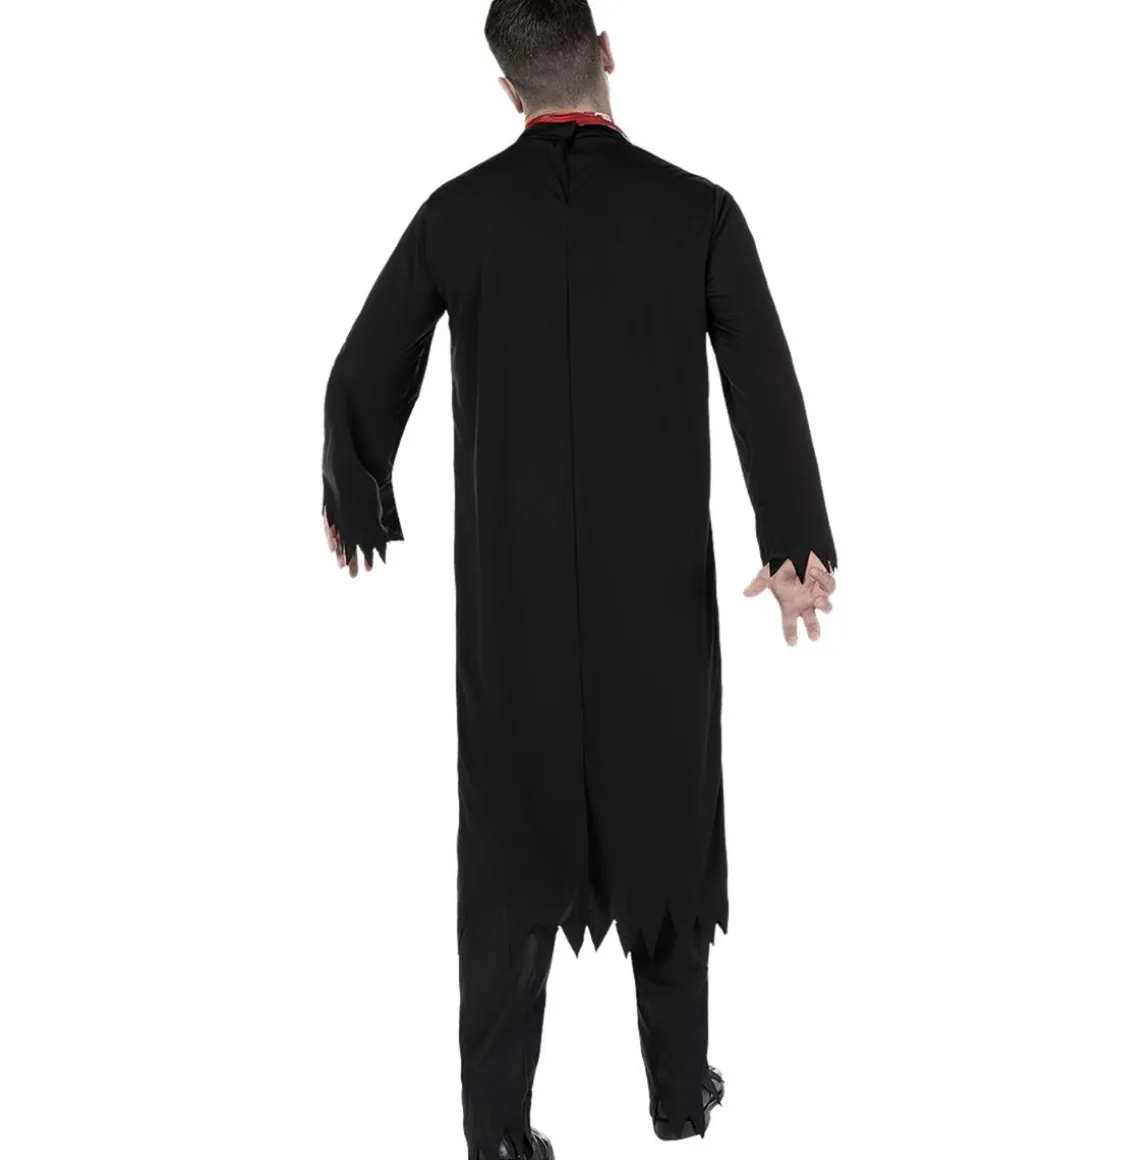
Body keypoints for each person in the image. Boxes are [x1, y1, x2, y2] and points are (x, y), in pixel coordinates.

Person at [320, 2, 838, 1156]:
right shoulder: (697, 213)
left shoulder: (457, 216)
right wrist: (794, 548)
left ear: (506, 90)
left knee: (508, 850)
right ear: (607, 54)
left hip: (511, 606)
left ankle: (498, 1131)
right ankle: (677, 1094)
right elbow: (762, 378)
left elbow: (363, 362)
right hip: (653, 599)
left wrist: (354, 494)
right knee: (665, 817)